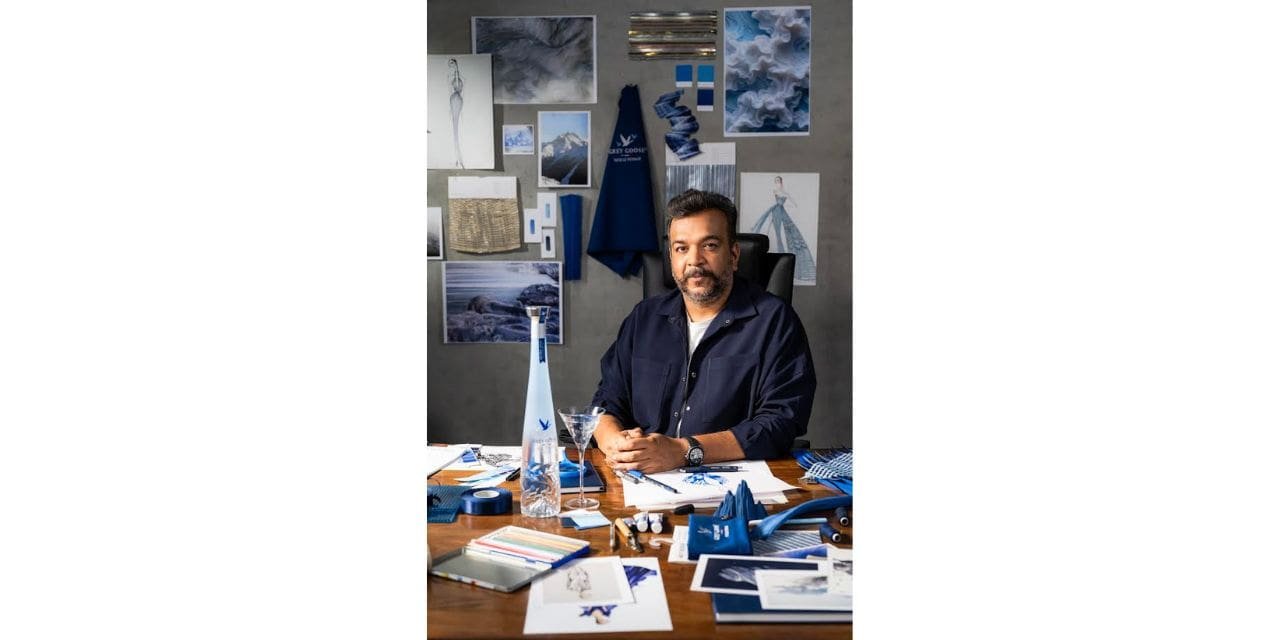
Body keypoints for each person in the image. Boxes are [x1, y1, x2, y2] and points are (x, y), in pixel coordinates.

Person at [591, 189, 817, 473]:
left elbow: (781, 421)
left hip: (732, 481)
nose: (694, 260)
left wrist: (683, 451)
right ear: (671, 258)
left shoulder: (775, 321)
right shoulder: (643, 319)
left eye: (709, 245)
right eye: (681, 248)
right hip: (641, 477)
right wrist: (614, 442)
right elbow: (607, 400)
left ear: (734, 254)